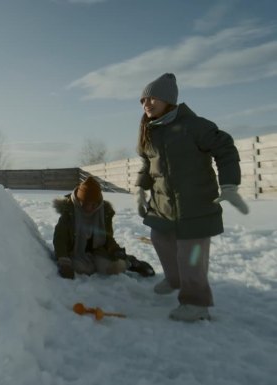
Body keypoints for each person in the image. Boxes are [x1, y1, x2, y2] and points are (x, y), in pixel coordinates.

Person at [135, 73, 249, 322]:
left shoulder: (194, 126)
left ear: (168, 99)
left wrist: (229, 184)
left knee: (191, 255)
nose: (146, 104)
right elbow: (148, 164)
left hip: (195, 204)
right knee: (159, 239)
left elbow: (225, 148)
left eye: (152, 98)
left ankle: (196, 303)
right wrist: (140, 188)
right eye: (143, 100)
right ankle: (175, 279)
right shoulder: (151, 132)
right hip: (163, 205)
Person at [53, 176, 155, 279]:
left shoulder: (104, 212)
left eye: (93, 204)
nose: (89, 208)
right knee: (81, 269)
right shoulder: (69, 212)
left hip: (98, 249)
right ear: (79, 201)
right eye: (85, 204)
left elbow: (107, 237)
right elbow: (60, 239)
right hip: (76, 251)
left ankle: (131, 262)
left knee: (115, 268)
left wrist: (115, 249)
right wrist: (64, 262)